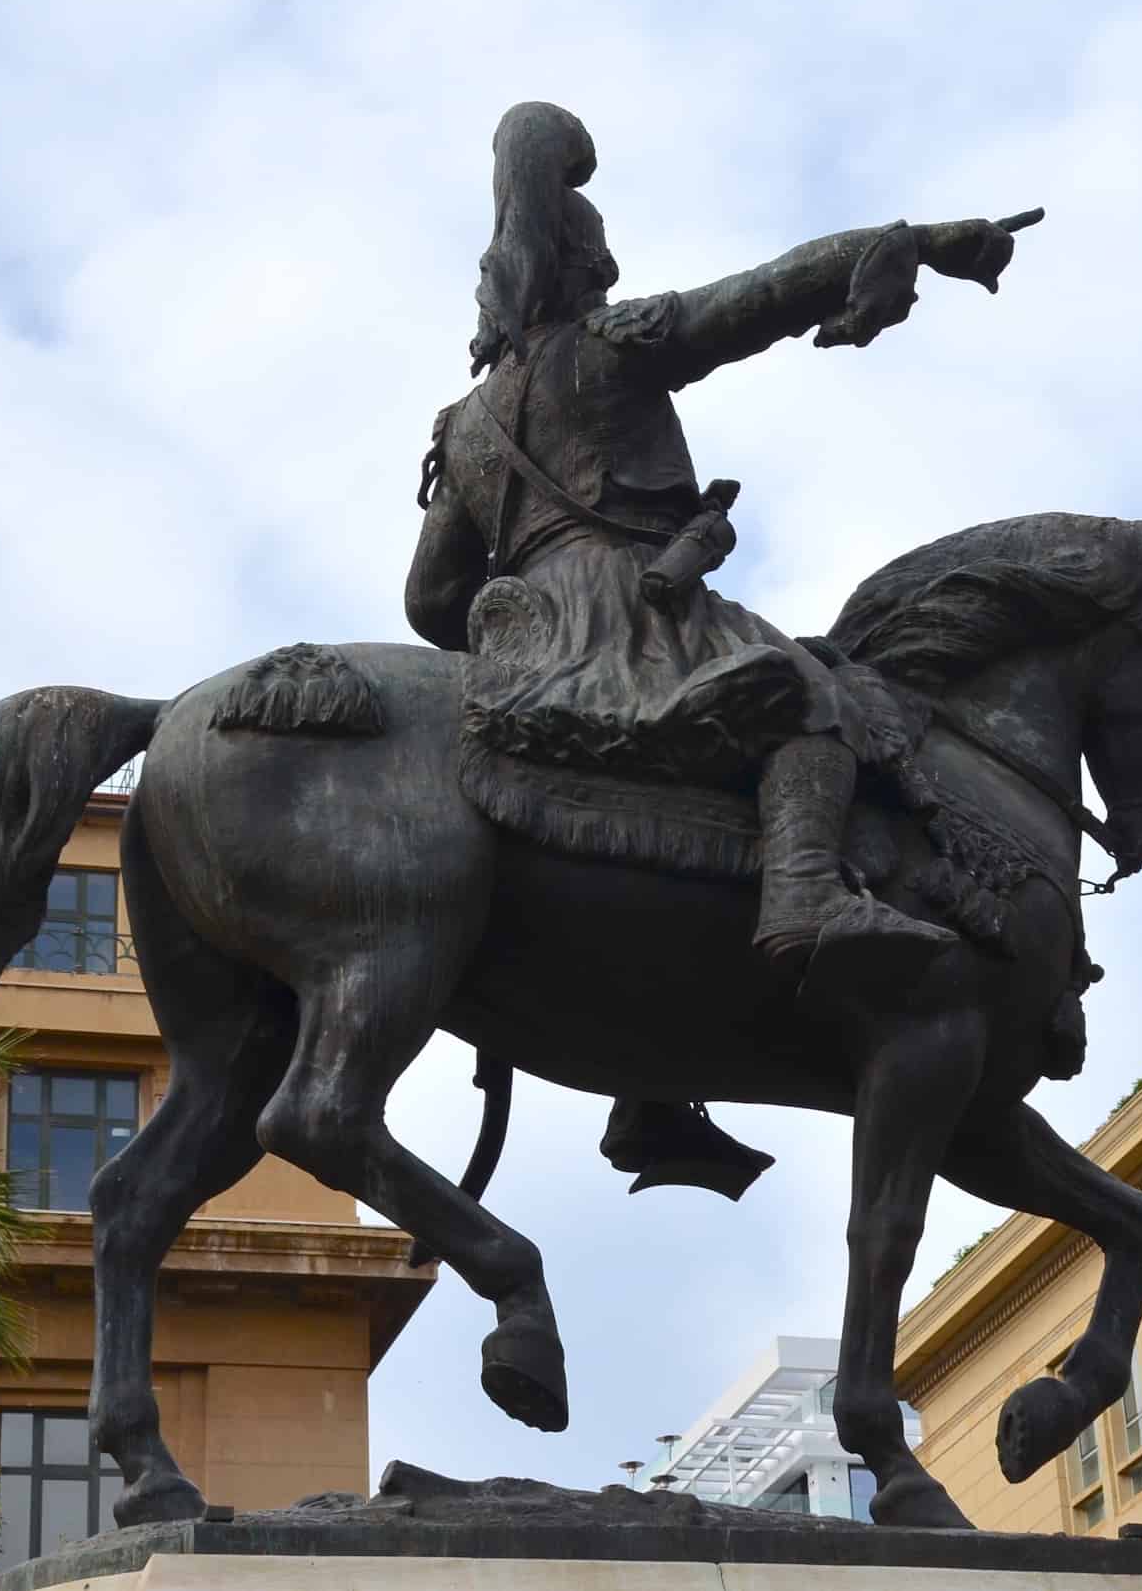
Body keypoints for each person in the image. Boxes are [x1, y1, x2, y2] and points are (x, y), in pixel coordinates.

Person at [406, 102, 1035, 1193]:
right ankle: (806, 896)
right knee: (808, 698)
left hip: (529, 638)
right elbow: (780, 291)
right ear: (588, 263)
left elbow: (429, 598)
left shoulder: (462, 426)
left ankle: (653, 1081)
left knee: (668, 808)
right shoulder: (616, 346)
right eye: (602, 250)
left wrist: (522, 600)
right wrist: (924, 243)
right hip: (639, 613)